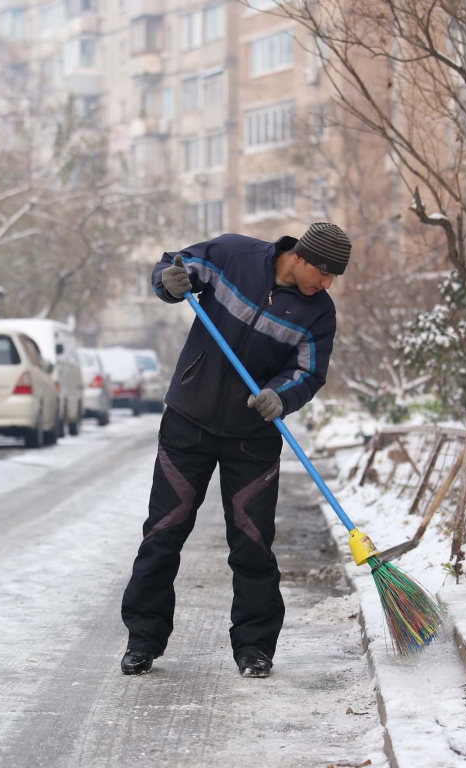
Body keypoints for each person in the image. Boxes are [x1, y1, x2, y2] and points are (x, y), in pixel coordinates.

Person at [120, 223, 351, 678]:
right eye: (323, 273)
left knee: (252, 544)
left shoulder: (318, 314)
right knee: (163, 532)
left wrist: (280, 396)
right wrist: (167, 281)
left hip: (254, 437)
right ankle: (142, 641)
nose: (326, 285)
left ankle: (255, 648)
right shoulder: (232, 255)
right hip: (188, 422)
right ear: (301, 257)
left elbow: (308, 372)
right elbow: (172, 266)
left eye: (333, 279)